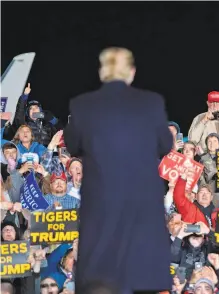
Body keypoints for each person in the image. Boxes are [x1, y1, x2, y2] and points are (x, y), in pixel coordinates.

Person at [64, 47, 173, 293]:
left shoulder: (82, 105)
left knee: (102, 281)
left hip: (102, 211)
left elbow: (72, 145)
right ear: (132, 73)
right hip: (142, 212)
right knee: (142, 279)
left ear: (103, 73)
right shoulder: (151, 103)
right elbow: (166, 144)